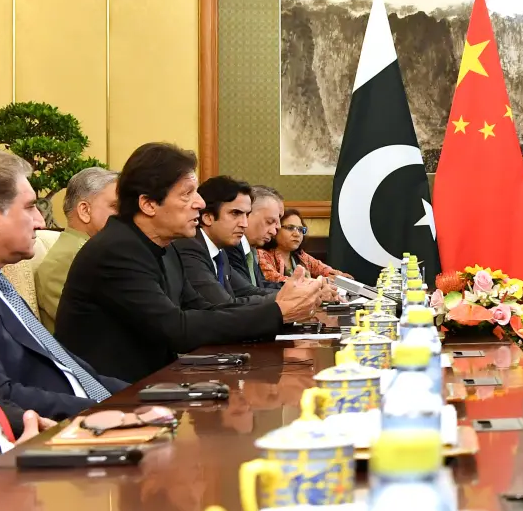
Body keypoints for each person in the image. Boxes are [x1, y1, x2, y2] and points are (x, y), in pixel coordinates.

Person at [55, 143, 328, 382]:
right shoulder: (116, 250)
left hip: (160, 384)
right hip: (112, 397)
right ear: (149, 204)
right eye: (187, 194)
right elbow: (178, 329)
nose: (199, 203)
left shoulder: (165, 246)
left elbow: (206, 309)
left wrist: (283, 310)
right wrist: (279, 311)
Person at [0, 151, 127, 419]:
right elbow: (3, 396)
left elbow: (71, 369)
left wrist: (142, 397)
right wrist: (111, 411)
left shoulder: (0, 286)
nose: (41, 221)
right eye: (29, 207)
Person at [33, 166, 117, 332]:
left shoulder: (93, 252)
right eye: (115, 206)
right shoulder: (65, 261)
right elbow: (98, 331)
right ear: (85, 210)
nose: (126, 215)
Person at [173, 176, 269, 307]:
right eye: (235, 213)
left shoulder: (220, 251)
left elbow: (248, 291)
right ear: (207, 218)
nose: (244, 224)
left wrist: (294, 296)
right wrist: (285, 303)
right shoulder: (189, 246)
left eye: (246, 215)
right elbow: (224, 305)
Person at [258, 208, 349, 283]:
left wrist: (340, 277)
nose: (297, 234)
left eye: (301, 229)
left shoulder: (301, 256)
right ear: (276, 229)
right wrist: (319, 282)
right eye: (290, 228)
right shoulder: (262, 255)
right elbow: (277, 281)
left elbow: (324, 270)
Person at [228, 185, 283, 294]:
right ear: (248, 214)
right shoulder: (230, 247)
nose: (274, 231)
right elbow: (245, 293)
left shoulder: (251, 250)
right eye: (269, 222)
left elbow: (260, 285)